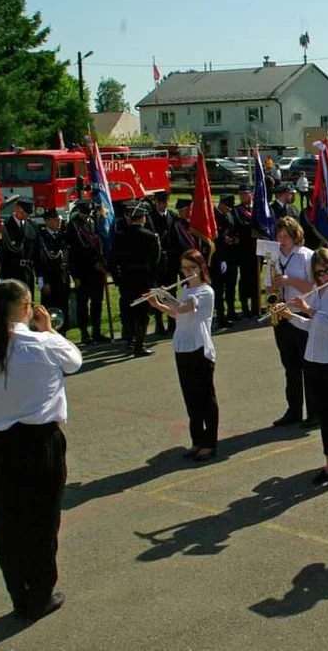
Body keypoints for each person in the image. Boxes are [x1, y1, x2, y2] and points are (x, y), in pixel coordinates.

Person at [0, 280, 81, 620]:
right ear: (26, 306)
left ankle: (19, 594)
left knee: (5, 523)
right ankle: (41, 591)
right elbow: (75, 361)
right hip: (39, 444)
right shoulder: (45, 344)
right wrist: (48, 331)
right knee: (42, 522)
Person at [277, 248, 328, 487]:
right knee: (324, 416)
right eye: (319, 272)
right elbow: (313, 326)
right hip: (314, 360)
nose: (324, 276)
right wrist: (290, 316)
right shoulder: (316, 292)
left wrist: (309, 309)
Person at [148, 250, 219, 461]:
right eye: (184, 268)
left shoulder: (205, 291)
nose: (187, 272)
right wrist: (158, 305)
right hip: (183, 347)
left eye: (191, 268)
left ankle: (210, 443)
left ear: (201, 268)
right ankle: (197, 441)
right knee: (191, 398)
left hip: (200, 348)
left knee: (206, 397)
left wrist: (167, 297)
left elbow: (185, 308)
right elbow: (177, 313)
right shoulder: (186, 289)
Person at [270, 217, 316, 427]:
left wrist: (288, 280)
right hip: (282, 316)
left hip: (302, 314)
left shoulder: (307, 256)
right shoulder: (273, 257)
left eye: (285, 236)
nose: (282, 240)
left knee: (309, 366)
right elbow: (268, 286)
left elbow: (313, 287)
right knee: (290, 366)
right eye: (279, 236)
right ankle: (294, 410)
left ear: (295, 236)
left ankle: (314, 412)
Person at [113, 202, 161, 356]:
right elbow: (156, 261)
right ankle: (139, 345)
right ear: (143, 218)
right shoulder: (151, 236)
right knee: (142, 312)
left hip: (126, 279)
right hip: (144, 280)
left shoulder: (120, 236)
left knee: (128, 310)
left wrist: (117, 278)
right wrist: (154, 281)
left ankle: (129, 341)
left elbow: (112, 260)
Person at [65, 201, 109, 344]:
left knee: (97, 302)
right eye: (84, 212)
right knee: (82, 303)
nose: (87, 215)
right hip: (82, 271)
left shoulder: (93, 222)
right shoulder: (73, 226)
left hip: (96, 271)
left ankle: (96, 331)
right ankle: (84, 333)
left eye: (89, 213)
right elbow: (74, 253)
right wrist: (75, 275)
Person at [147, 190, 176, 335]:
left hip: (170, 261)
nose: (163, 205)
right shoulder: (150, 218)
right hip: (158, 262)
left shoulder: (172, 216)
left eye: (165, 202)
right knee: (159, 292)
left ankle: (172, 321)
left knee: (171, 291)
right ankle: (159, 323)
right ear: (156, 203)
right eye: (160, 202)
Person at [37, 209, 71, 332]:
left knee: (63, 307)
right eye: (56, 220)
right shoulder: (42, 238)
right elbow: (40, 260)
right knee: (51, 308)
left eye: (59, 220)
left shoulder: (61, 236)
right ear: (48, 221)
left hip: (62, 277)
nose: (59, 222)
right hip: (50, 279)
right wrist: (43, 281)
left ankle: (63, 333)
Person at [0, 198, 38, 300]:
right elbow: (2, 252)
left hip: (28, 272)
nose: (26, 216)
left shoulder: (32, 226)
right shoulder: (5, 227)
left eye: (27, 213)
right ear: (16, 209)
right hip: (11, 272)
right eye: (23, 212)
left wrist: (40, 275)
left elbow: (37, 251)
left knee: (28, 303)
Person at [232, 183, 260, 318]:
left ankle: (256, 305)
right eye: (241, 194)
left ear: (251, 195)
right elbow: (240, 227)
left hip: (257, 250)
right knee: (244, 280)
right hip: (243, 251)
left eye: (245, 193)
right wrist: (252, 230)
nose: (243, 196)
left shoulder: (258, 209)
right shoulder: (237, 211)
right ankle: (245, 306)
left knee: (256, 279)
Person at [212, 195, 240, 329]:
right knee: (219, 289)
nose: (229, 210)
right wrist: (225, 241)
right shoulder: (213, 216)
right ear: (221, 204)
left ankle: (231, 311)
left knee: (230, 286)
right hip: (218, 258)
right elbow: (214, 237)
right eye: (227, 207)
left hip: (231, 257)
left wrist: (234, 239)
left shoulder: (229, 215)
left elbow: (233, 230)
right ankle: (221, 316)